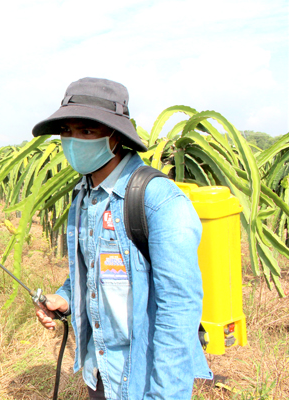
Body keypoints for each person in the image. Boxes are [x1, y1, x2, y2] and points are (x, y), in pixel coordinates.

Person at [32, 78, 212, 399]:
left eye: (87, 131)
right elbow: (95, 269)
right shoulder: (84, 196)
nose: (74, 141)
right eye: (68, 132)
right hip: (100, 370)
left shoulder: (158, 200)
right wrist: (66, 297)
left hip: (143, 377)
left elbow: (178, 310)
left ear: (115, 137)